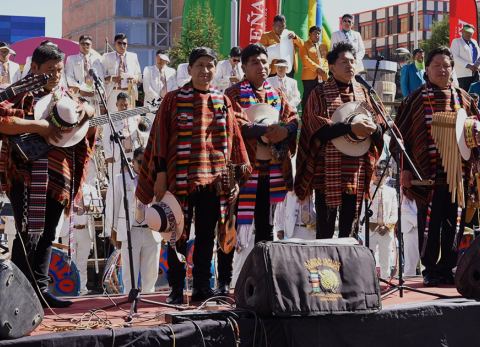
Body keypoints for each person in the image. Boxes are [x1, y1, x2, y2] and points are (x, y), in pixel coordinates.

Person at [136, 47, 250, 304]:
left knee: (207, 236)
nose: (205, 70)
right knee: (176, 236)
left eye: (210, 65)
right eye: (200, 65)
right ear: (189, 69)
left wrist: (232, 177)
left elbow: (233, 141)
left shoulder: (223, 101)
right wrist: (161, 175)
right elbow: (160, 140)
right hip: (179, 181)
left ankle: (201, 287)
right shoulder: (173, 99)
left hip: (213, 181)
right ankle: (176, 289)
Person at [0, 44, 96, 307]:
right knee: (26, 234)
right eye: (49, 70)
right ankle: (16, 299)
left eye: (59, 70)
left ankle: (40, 291)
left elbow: (85, 121)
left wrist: (86, 111)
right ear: (35, 68)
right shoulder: (20, 93)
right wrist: (40, 126)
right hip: (26, 175)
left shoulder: (66, 95)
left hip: (57, 175)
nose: (55, 75)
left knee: (47, 234)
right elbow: (3, 120)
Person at [391, 46, 480, 286]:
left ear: (452, 69)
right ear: (427, 70)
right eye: (437, 65)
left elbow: (475, 132)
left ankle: (448, 267)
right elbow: (399, 137)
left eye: (447, 65)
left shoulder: (464, 97)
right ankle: (430, 269)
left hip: (458, 175)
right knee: (429, 224)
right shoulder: (416, 99)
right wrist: (406, 168)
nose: (443, 70)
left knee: (455, 224)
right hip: (427, 175)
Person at [295, 42, 385, 239]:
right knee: (326, 229)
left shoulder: (364, 92)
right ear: (332, 67)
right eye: (344, 61)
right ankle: (324, 268)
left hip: (356, 170)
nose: (350, 65)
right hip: (327, 170)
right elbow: (315, 128)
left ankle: (346, 268)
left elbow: (381, 124)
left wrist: (375, 129)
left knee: (350, 229)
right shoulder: (318, 92)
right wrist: (350, 128)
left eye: (352, 61)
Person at [225, 43, 297, 283]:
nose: (262, 67)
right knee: (233, 227)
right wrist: (264, 130)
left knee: (266, 228)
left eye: (265, 62)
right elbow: (235, 124)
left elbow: (293, 117)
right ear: (244, 67)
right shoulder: (233, 93)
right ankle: (228, 282)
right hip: (243, 174)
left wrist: (285, 130)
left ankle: (264, 279)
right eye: (255, 62)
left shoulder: (276, 94)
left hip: (271, 171)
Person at [105, 147, 162, 293]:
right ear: (133, 162)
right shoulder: (120, 180)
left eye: (146, 163)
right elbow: (113, 206)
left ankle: (148, 302)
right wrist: (113, 230)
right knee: (129, 274)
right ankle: (129, 300)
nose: (143, 166)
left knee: (151, 273)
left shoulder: (156, 180)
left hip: (152, 231)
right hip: (131, 231)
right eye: (140, 162)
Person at [361, 160, 398, 278]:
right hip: (370, 229)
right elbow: (362, 211)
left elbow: (394, 212)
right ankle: (369, 282)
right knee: (369, 258)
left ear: (386, 176)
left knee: (385, 258)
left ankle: (385, 280)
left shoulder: (391, 192)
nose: (378, 176)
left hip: (385, 230)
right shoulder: (367, 190)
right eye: (376, 174)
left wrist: (387, 226)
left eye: (381, 174)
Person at [102, 92, 147, 179]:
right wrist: (108, 155)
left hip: (133, 153)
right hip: (117, 155)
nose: (123, 107)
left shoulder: (135, 116)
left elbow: (142, 132)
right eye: (121, 105)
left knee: (133, 178)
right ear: (116, 104)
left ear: (129, 104)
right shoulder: (111, 118)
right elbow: (106, 138)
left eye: (126, 105)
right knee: (115, 179)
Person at [102, 33, 142, 111]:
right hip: (113, 92)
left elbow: (139, 76)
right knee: (113, 119)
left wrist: (134, 79)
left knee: (129, 119)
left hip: (129, 92)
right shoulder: (107, 57)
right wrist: (112, 78)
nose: (122, 45)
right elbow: (101, 76)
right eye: (119, 43)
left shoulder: (133, 56)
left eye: (124, 43)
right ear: (114, 44)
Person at [65, 35, 104, 101]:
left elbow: (101, 77)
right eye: (82, 43)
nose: (85, 46)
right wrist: (82, 90)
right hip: (79, 95)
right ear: (79, 45)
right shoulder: (71, 59)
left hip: (94, 95)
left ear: (91, 45)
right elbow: (69, 77)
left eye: (87, 44)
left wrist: (98, 91)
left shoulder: (97, 59)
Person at [300, 26, 329, 109]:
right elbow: (305, 59)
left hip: (322, 76)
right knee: (308, 96)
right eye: (315, 33)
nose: (317, 35)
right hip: (309, 77)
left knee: (321, 97)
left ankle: (318, 116)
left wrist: (325, 70)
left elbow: (326, 60)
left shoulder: (323, 46)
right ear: (310, 34)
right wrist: (317, 68)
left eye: (318, 34)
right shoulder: (304, 44)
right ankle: (305, 117)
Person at [450, 24, 480, 91]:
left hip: (476, 73)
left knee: (475, 96)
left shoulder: (474, 42)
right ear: (462, 31)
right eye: (466, 32)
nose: (468, 34)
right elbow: (454, 57)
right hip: (463, 75)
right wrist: (468, 65)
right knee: (464, 96)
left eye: (470, 32)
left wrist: (478, 66)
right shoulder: (456, 41)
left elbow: (478, 56)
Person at [401, 188, 420, 277]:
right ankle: (409, 276)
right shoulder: (403, 189)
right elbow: (404, 208)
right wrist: (419, 221)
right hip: (410, 227)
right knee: (410, 255)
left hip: (423, 225)